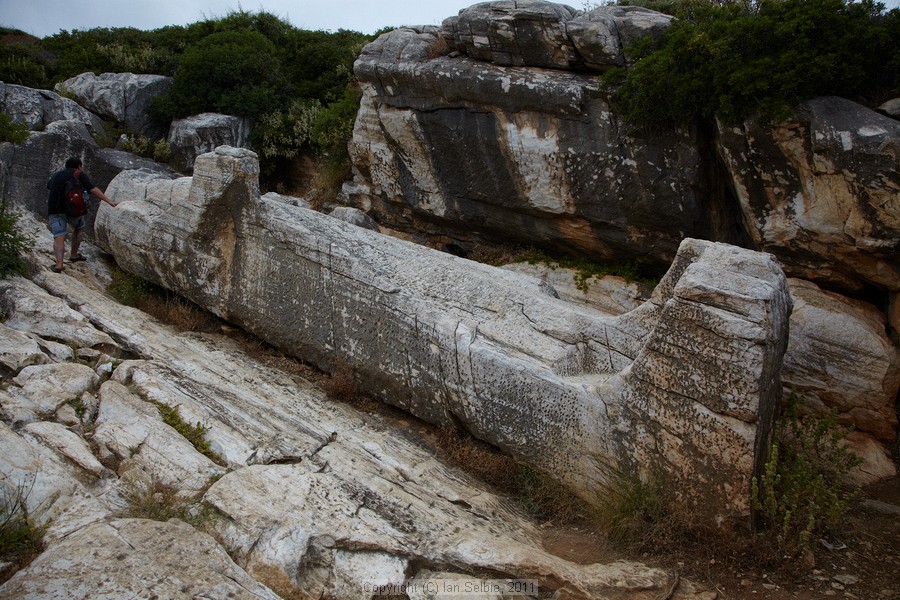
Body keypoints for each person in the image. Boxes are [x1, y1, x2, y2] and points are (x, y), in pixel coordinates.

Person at [46, 157, 118, 273]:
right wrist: (109, 201)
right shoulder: (79, 175)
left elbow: (49, 186)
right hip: (74, 210)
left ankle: (59, 264)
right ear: (79, 166)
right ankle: (74, 255)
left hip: (55, 210)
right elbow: (93, 189)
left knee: (59, 235)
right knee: (79, 228)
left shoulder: (58, 175)